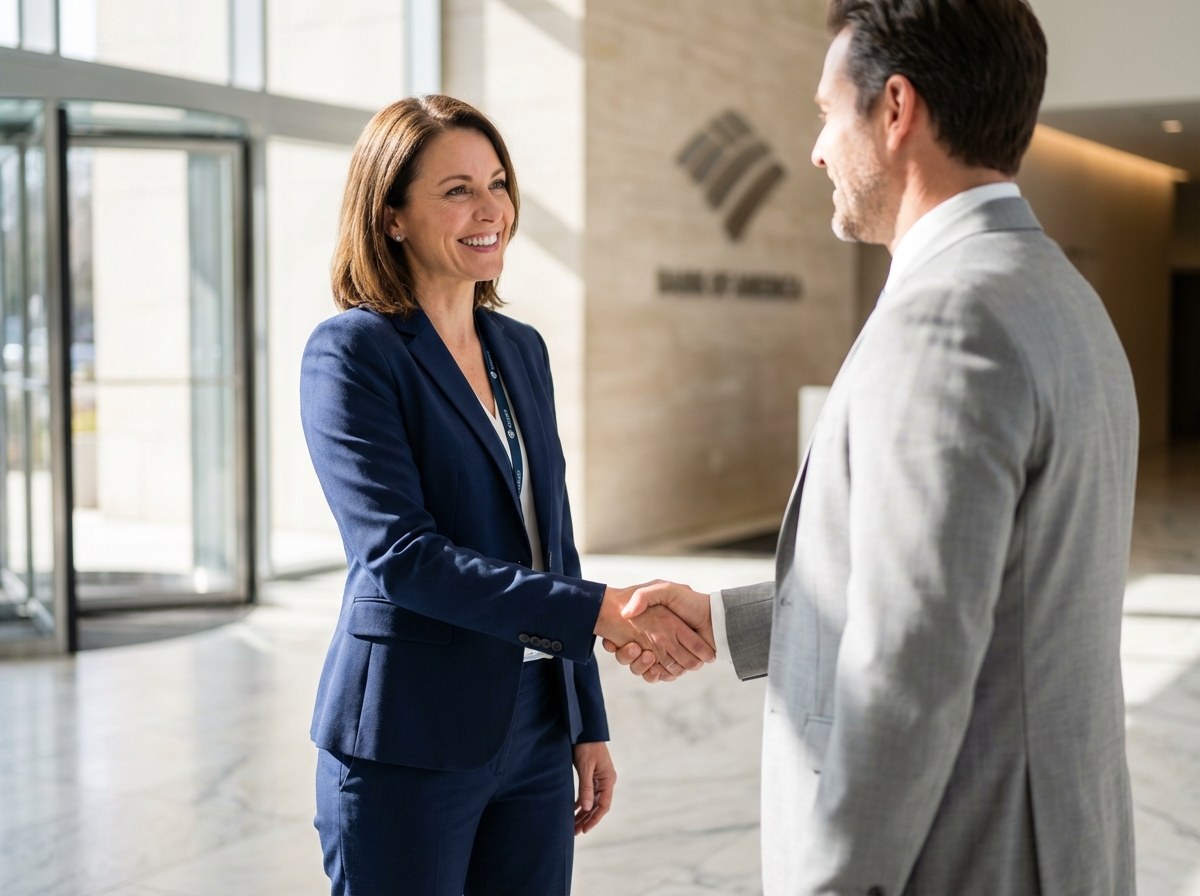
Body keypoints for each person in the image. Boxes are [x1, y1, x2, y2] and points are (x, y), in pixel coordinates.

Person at [606, 1, 1140, 893]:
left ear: (896, 110)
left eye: (826, 114)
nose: (817, 151)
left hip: (969, 856)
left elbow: (909, 672)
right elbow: (969, 583)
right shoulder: (1061, 295)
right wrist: (731, 616)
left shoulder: (949, 321)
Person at [301, 95, 714, 896]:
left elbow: (552, 542)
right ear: (391, 218)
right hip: (407, 737)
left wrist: (584, 718)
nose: (490, 209)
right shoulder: (353, 353)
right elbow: (400, 558)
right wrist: (600, 612)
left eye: (497, 183)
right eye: (456, 190)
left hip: (532, 727)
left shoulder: (518, 349)